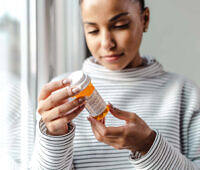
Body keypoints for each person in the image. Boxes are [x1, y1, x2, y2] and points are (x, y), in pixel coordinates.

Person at [32, 0, 200, 169]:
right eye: (93, 30)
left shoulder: (184, 93)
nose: (107, 44)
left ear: (145, 19)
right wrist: (54, 138)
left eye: (120, 25)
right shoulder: (59, 98)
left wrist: (148, 146)